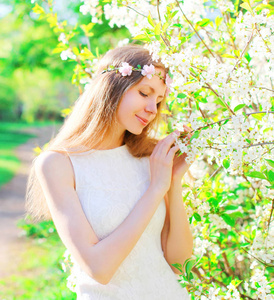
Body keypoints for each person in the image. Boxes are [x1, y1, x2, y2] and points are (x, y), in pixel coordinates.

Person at [25, 44, 194, 299]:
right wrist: (156, 189)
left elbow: (179, 263)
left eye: (158, 100)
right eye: (144, 93)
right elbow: (98, 268)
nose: (152, 109)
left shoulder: (150, 157)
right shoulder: (58, 164)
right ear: (112, 87)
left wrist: (172, 182)